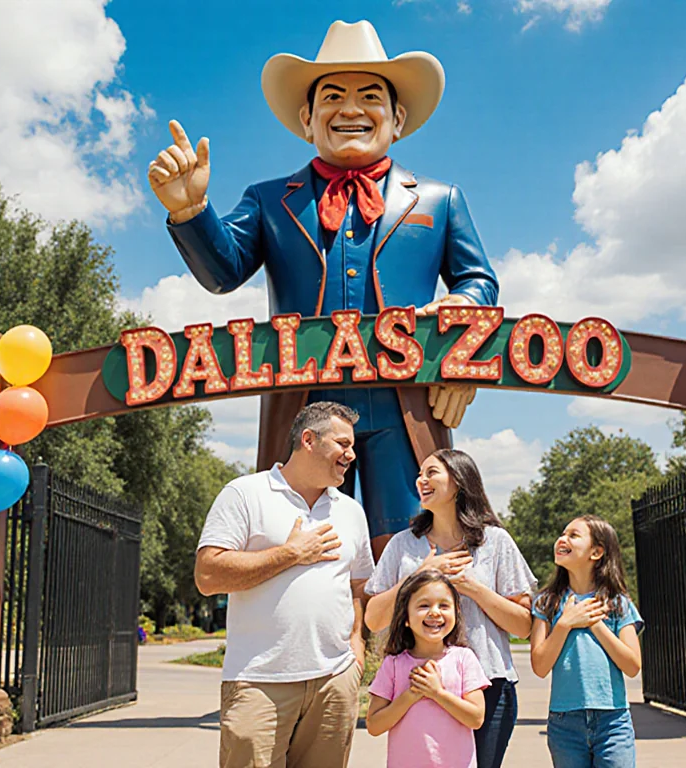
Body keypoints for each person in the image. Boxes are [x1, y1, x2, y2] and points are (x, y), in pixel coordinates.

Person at [147, 19, 500, 559]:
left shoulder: (439, 199)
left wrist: (460, 327)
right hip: (302, 407)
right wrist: (190, 210)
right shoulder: (269, 200)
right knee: (300, 544)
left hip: (403, 407)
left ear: (397, 117)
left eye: (369, 96)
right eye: (333, 96)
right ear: (307, 118)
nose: (351, 109)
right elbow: (223, 271)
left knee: (410, 546)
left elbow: (478, 281)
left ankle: (404, 646)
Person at [193, 401, 374, 768]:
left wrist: (356, 647)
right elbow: (208, 576)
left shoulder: (351, 511)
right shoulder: (245, 494)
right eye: (342, 444)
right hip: (259, 681)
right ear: (309, 439)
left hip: (334, 681)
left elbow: (358, 586)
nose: (351, 454)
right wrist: (290, 553)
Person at [365, 449, 537, 768]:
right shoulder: (402, 545)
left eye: (431, 473)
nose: (421, 480)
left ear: (458, 482)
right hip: (415, 683)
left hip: (489, 686)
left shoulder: (495, 542)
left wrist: (472, 587)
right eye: (420, 474)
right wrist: (419, 574)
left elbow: (524, 626)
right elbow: (373, 619)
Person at [530, 516, 645, 768]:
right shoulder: (546, 603)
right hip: (564, 723)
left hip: (613, 721)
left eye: (573, 535)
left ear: (596, 552)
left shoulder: (618, 604)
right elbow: (539, 666)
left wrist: (594, 623)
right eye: (562, 533)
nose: (562, 539)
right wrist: (565, 623)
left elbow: (633, 665)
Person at [366, 569, 490, 768]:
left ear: (456, 612)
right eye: (424, 605)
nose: (434, 612)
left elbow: (476, 718)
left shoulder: (464, 659)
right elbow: (374, 724)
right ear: (405, 616)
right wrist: (410, 695)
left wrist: (437, 693)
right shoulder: (393, 664)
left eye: (444, 605)